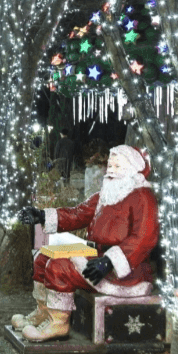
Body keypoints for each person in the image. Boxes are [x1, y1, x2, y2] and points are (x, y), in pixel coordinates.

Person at [13, 145, 159, 342]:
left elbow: (143, 238)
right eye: (110, 164)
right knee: (42, 257)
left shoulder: (142, 197)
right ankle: (44, 312)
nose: (111, 169)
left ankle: (58, 323)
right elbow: (78, 214)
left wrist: (109, 262)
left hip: (124, 272)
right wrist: (42, 215)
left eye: (118, 165)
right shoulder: (107, 194)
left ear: (132, 168)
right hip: (97, 257)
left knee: (59, 267)